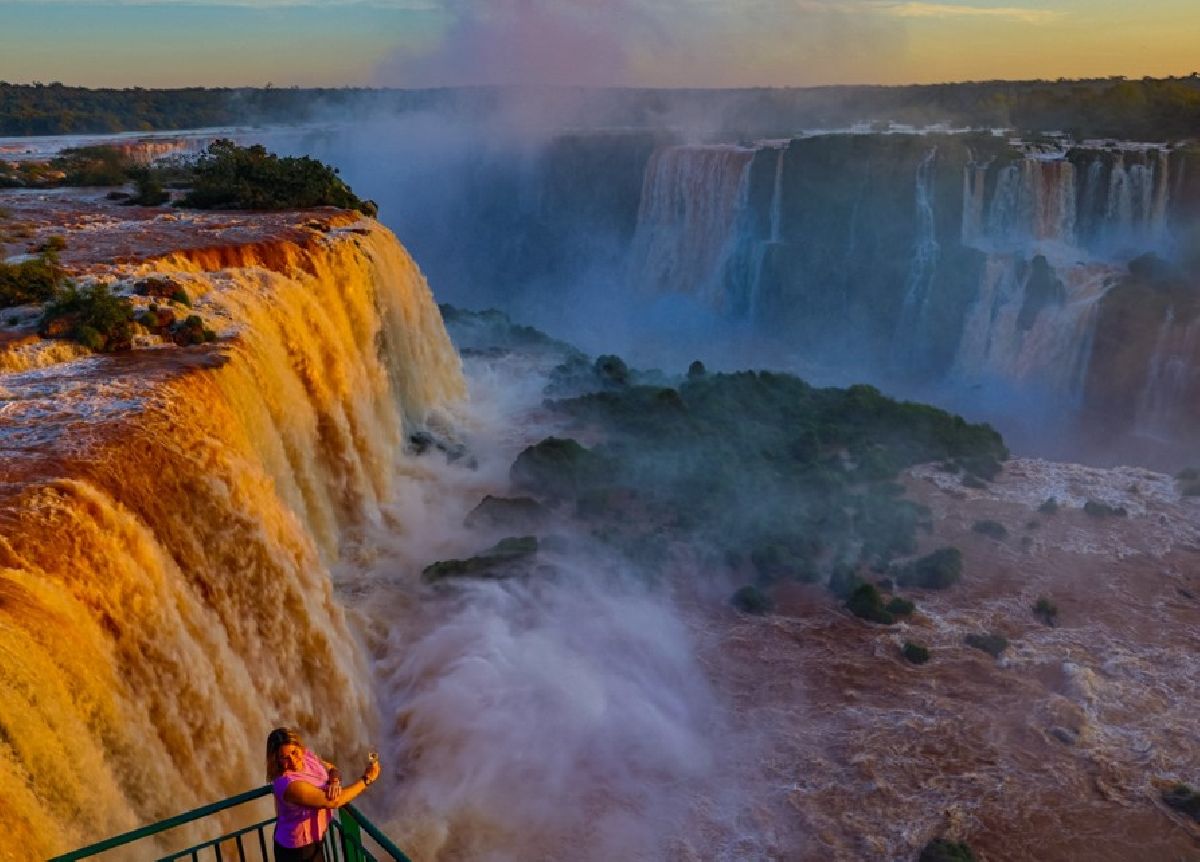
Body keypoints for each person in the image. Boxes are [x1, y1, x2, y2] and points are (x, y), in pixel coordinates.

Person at [265, 727, 382, 862]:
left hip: (314, 840)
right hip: (297, 850)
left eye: (293, 752)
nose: (292, 760)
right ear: (276, 760)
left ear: (299, 747)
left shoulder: (306, 756)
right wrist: (366, 780)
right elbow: (334, 802)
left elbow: (332, 768)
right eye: (284, 757)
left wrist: (334, 781)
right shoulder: (288, 784)